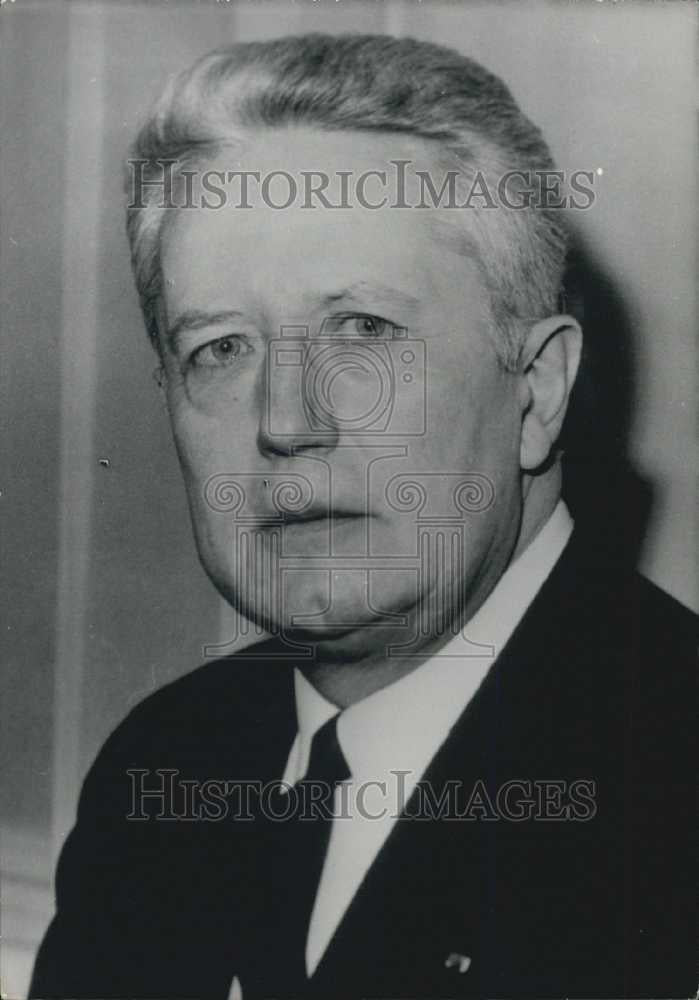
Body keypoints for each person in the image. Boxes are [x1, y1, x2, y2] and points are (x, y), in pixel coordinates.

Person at [31, 33, 695, 999]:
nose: (287, 422)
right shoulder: (165, 767)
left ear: (539, 390)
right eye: (221, 347)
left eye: (365, 331)